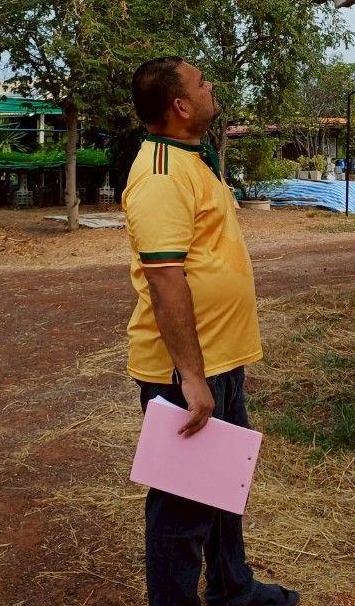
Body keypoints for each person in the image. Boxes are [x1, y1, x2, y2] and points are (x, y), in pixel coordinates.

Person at [123, 57, 299, 606]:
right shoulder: (159, 176)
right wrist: (192, 376)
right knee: (181, 508)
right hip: (186, 370)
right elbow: (164, 277)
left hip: (220, 359)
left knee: (223, 487)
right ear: (179, 105)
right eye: (201, 82)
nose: (211, 86)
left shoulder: (192, 160)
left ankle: (233, 589)